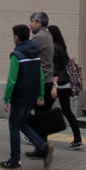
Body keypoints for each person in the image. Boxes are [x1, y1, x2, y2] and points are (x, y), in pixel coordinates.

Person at [0, 24, 53, 170]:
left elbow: (12, 80)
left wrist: (5, 99)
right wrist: (40, 95)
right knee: (23, 123)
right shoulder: (35, 54)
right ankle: (43, 147)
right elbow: (41, 76)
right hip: (32, 96)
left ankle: (15, 160)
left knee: (13, 126)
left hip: (19, 96)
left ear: (16, 37)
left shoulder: (17, 55)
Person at [25, 10, 55, 159]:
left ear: (39, 22)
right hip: (47, 79)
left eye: (32, 21)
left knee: (34, 114)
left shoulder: (39, 38)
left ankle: (42, 146)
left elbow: (25, 51)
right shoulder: (47, 35)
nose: (30, 24)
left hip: (41, 81)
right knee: (41, 115)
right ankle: (41, 145)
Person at [48, 25, 82, 150]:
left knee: (45, 109)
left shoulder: (54, 47)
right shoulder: (62, 46)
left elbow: (55, 68)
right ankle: (78, 139)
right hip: (65, 83)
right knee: (67, 111)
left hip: (58, 83)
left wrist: (54, 85)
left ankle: (36, 136)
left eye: (48, 33)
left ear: (53, 35)